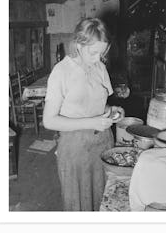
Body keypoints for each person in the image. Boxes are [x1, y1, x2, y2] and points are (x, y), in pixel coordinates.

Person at [43, 18, 125, 211]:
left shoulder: (100, 68)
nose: (98, 58)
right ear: (79, 44)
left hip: (103, 144)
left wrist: (112, 111)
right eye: (93, 52)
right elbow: (49, 120)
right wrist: (92, 122)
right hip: (75, 149)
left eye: (102, 52)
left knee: (103, 199)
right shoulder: (61, 72)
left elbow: (98, 106)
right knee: (78, 204)